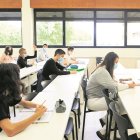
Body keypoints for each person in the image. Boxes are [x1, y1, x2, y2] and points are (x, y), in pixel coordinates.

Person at [86, 52, 136, 139]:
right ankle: (104, 131)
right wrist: (128, 85)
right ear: (110, 61)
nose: (116, 64)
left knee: (119, 102)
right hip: (94, 100)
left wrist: (116, 83)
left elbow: (112, 85)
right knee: (118, 106)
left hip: (98, 97)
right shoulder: (102, 71)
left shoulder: (103, 69)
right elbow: (114, 88)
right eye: (115, 62)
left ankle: (105, 120)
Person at [0, 63, 47, 137]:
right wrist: (37, 115)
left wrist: (37, 105)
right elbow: (10, 130)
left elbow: (24, 103)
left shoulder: (5, 90)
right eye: (17, 77)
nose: (19, 79)